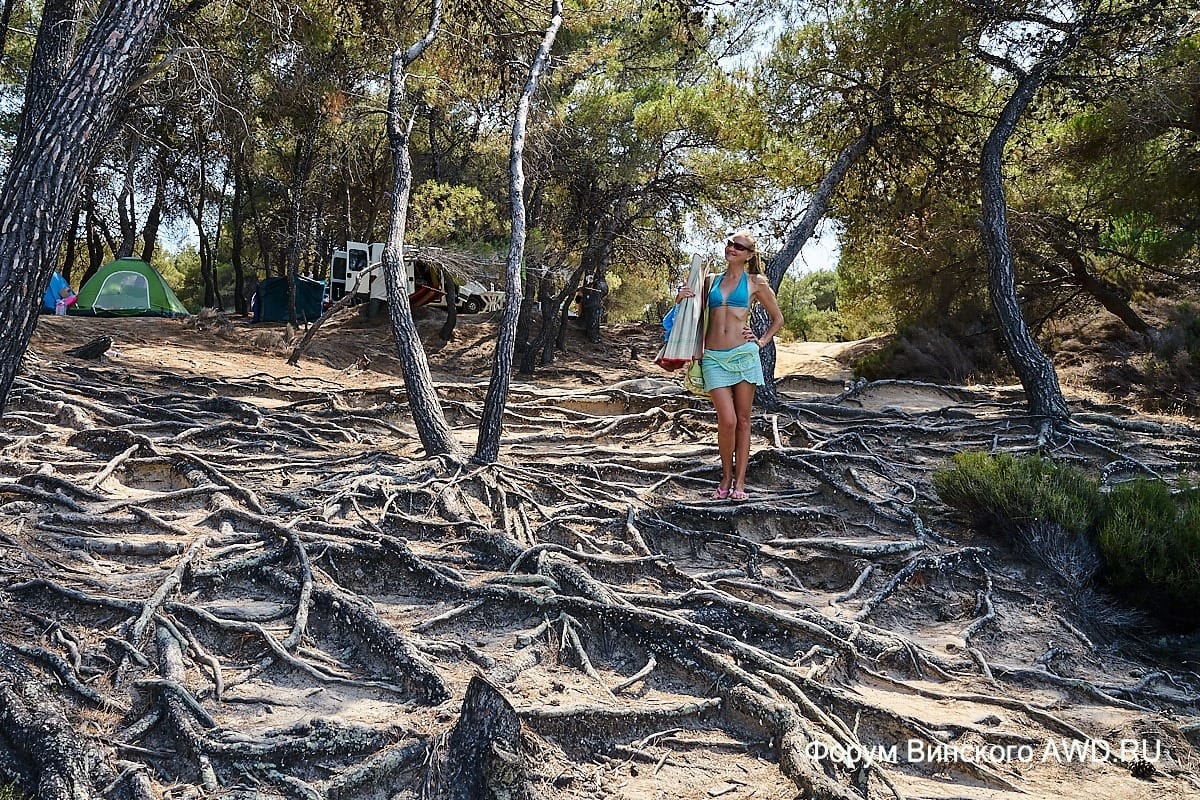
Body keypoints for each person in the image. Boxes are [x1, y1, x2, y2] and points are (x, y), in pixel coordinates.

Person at [676, 231, 784, 501]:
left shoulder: (756, 282)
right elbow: (689, 312)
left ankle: (739, 483)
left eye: (739, 246)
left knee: (744, 421)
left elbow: (778, 318)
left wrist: (760, 342)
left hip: (744, 356)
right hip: (713, 357)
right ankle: (725, 476)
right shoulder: (710, 280)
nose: (731, 248)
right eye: (729, 243)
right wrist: (681, 297)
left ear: (749, 255)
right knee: (727, 420)